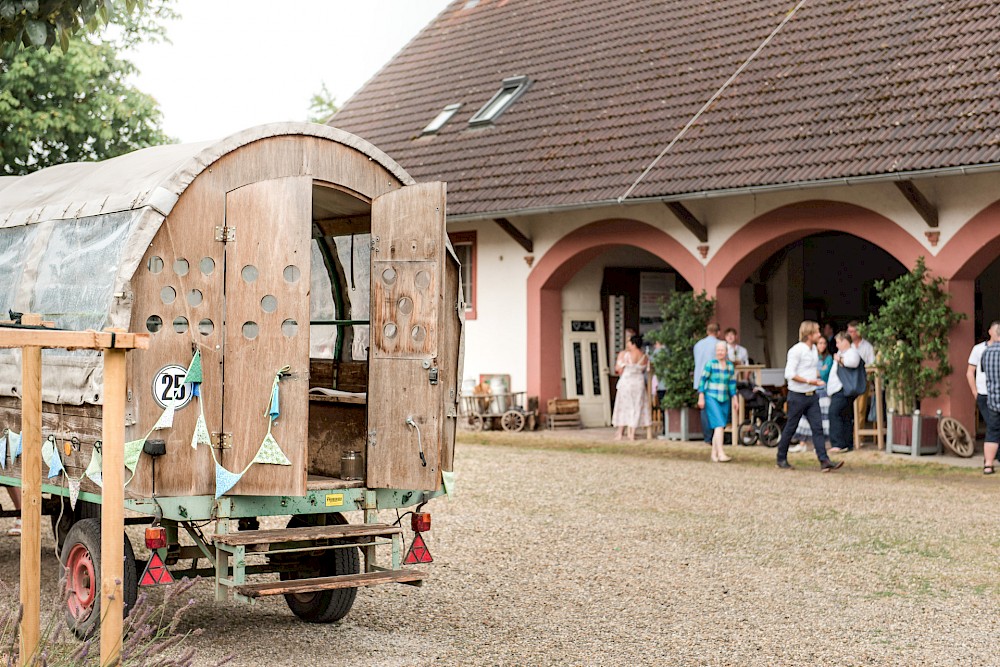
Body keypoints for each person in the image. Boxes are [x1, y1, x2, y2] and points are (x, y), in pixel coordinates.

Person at [775, 320, 844, 472]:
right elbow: (789, 374)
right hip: (797, 395)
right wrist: (809, 381)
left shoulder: (813, 350)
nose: (820, 334)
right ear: (809, 334)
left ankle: (824, 461)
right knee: (791, 427)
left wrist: (818, 379)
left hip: (812, 395)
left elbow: (811, 370)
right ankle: (781, 458)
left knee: (817, 428)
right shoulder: (796, 350)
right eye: (817, 332)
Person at [791, 334, 833, 452]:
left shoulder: (828, 358)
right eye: (820, 343)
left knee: (822, 419)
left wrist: (810, 373)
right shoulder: (812, 356)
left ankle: (820, 445)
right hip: (810, 389)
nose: (822, 346)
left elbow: (823, 374)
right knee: (804, 418)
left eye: (824, 343)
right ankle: (802, 442)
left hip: (822, 391)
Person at [697, 341, 738, 462]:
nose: (720, 352)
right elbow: (702, 380)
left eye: (722, 350)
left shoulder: (730, 366)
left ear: (726, 351)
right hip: (711, 396)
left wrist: (734, 398)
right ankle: (721, 453)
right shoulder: (710, 364)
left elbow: (731, 383)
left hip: (724, 398)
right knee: (719, 424)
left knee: (719, 427)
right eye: (718, 350)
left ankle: (714, 454)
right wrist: (701, 396)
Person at [612, 334, 651, 441]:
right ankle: (632, 433)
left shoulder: (625, 355)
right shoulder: (644, 356)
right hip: (638, 383)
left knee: (623, 406)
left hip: (627, 382)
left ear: (633, 344)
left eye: (629, 342)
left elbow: (618, 369)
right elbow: (646, 370)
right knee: (636, 406)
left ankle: (620, 433)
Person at [828, 332, 862, 453]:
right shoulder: (841, 353)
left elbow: (853, 363)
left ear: (845, 341)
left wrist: (839, 359)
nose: (836, 345)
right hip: (838, 388)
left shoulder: (852, 352)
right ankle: (847, 443)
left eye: (838, 342)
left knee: (834, 412)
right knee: (845, 415)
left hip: (842, 388)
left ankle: (838, 443)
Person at [967, 321, 1000, 435]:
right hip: (984, 393)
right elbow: (970, 372)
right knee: (993, 425)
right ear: (990, 332)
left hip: (997, 393)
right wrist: (975, 392)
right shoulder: (979, 349)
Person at [693, 322, 721, 444]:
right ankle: (715, 435)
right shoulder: (718, 345)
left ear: (707, 331)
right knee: (716, 409)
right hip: (714, 380)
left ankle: (707, 437)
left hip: (699, 379)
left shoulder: (698, 345)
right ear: (718, 332)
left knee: (704, 409)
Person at [981, 339, 1000, 474]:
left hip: (993, 399)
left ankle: (988, 465)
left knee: (992, 432)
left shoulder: (986, 352)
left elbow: (983, 371)